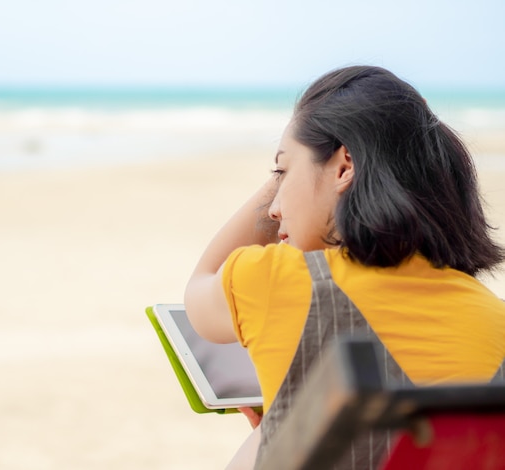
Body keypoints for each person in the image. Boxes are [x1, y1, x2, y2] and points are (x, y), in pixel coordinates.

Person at [184, 65, 505, 469]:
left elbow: (200, 284)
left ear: (344, 165)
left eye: (283, 173)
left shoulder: (274, 278)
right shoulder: (495, 317)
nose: (276, 206)